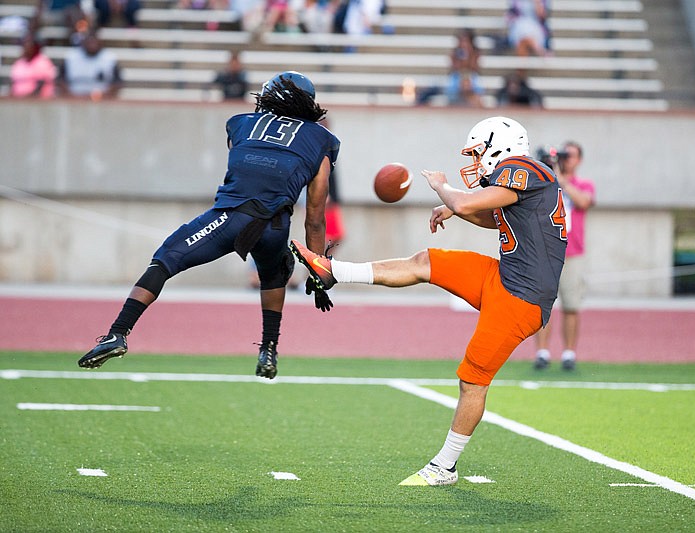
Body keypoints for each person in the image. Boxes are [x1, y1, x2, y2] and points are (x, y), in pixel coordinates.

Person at [291, 116, 567, 485]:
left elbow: (474, 203)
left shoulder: (523, 168)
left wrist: (445, 190)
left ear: (497, 145)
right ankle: (333, 271)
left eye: (477, 151)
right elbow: (496, 217)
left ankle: (445, 467)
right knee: (426, 262)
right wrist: (457, 206)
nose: (474, 159)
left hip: (521, 297)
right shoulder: (527, 176)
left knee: (473, 380)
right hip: (504, 278)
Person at [78, 71, 340, 379]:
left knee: (165, 259)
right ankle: (268, 349)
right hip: (276, 227)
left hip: (231, 216)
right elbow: (314, 214)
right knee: (273, 277)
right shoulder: (323, 140)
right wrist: (318, 267)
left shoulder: (239, 123)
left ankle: (117, 333)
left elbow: (242, 168)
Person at [533, 141, 595, 371]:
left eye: (570, 156)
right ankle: (542, 352)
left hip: (573, 253)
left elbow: (584, 202)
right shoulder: (547, 181)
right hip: (546, 251)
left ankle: (568, 353)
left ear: (578, 160)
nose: (566, 159)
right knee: (541, 306)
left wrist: (563, 181)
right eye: (564, 155)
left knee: (571, 305)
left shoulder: (583, 184)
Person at [59, 32, 122, 99]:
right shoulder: (71, 57)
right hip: (74, 98)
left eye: (94, 42)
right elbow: (60, 80)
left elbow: (117, 83)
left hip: (102, 99)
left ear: (100, 42)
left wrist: (105, 96)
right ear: (83, 43)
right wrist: (71, 96)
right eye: (89, 42)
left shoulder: (109, 58)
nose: (91, 45)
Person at [10, 33, 57, 99]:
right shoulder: (19, 62)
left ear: (35, 47)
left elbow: (41, 83)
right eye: (25, 45)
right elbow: (13, 82)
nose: (26, 48)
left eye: (29, 45)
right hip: (18, 99)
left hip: (37, 100)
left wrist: (29, 97)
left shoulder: (43, 61)